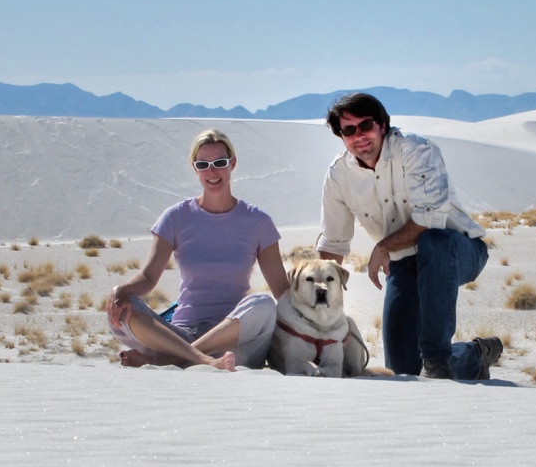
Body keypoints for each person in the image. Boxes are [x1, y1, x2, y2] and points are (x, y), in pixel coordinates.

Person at [317, 92, 503, 381]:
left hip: (457, 251)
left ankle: (437, 358)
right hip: (405, 264)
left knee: (434, 243)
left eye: (365, 126)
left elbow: (430, 219)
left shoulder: (415, 150)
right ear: (341, 136)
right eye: (348, 130)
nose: (359, 136)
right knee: (402, 372)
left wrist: (382, 247)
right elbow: (333, 244)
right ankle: (474, 355)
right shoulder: (339, 175)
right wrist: (320, 311)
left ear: (381, 125)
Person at [107, 129, 289, 371]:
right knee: (121, 305)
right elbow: (148, 278)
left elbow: (283, 293)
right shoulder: (176, 217)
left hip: (233, 340)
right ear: (195, 169)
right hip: (180, 335)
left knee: (263, 304)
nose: (212, 172)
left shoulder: (258, 222)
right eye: (203, 164)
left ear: (232, 164)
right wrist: (121, 290)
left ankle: (165, 360)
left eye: (219, 163)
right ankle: (200, 359)